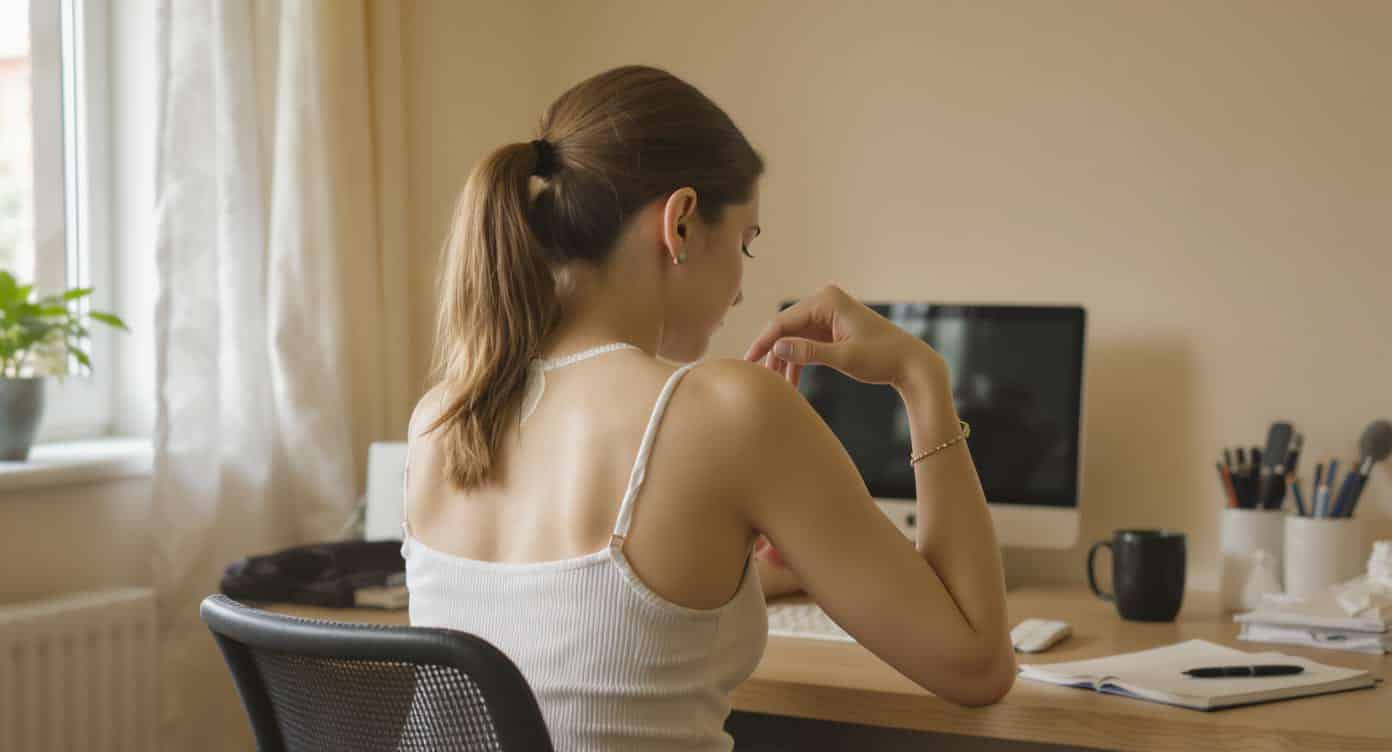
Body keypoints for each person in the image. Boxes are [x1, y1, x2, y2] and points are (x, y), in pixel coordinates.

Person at [403, 65, 1015, 751]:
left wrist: (755, 580)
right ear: (682, 222)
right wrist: (921, 375)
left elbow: (573, 625)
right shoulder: (726, 408)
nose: (742, 284)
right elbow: (979, 665)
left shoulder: (441, 417)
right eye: (747, 240)